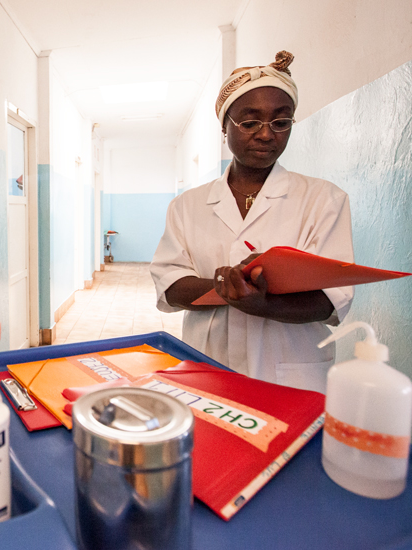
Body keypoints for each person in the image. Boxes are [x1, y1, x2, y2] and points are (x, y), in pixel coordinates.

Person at [150, 51, 354, 393]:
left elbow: (330, 299)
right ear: (224, 126)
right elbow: (170, 286)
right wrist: (229, 287)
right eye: (249, 122)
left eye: (280, 122)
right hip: (208, 365)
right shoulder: (187, 205)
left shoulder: (325, 200)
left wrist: (264, 303)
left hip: (291, 376)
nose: (265, 134)